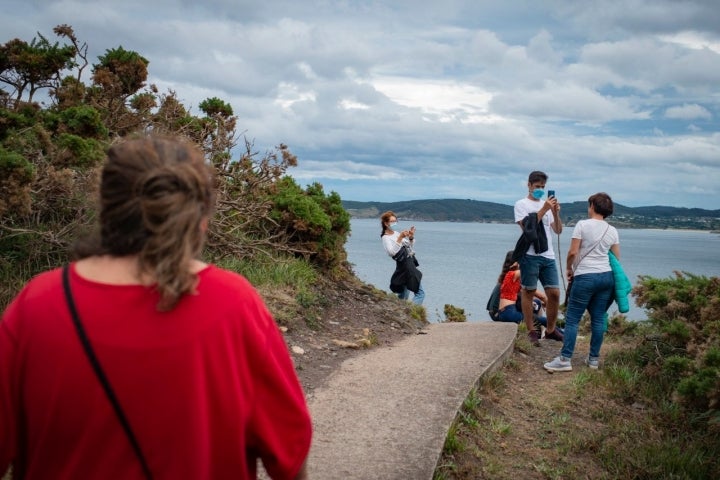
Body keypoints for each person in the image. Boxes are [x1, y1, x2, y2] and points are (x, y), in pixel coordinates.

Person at [0, 136, 312, 479]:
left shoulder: (37, 305)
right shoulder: (233, 304)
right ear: (201, 218)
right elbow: (289, 454)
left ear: (106, 208)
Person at [544, 192, 620, 373]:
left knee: (572, 319)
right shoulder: (612, 230)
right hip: (606, 277)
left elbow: (572, 252)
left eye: (589, 205)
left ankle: (565, 359)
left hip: (586, 276)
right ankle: (593, 360)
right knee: (598, 318)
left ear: (592, 206)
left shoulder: (582, 225)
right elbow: (616, 257)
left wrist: (569, 268)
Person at [513, 170, 564, 346]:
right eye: (537, 187)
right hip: (530, 255)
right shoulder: (521, 205)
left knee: (554, 293)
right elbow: (527, 228)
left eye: (542, 187)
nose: (540, 190)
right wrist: (544, 209)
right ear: (529, 185)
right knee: (528, 291)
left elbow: (558, 230)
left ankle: (550, 330)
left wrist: (556, 212)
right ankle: (531, 330)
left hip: (548, 255)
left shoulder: (547, 206)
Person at [380, 211, 425, 305]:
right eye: (392, 221)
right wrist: (400, 238)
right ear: (386, 223)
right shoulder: (386, 237)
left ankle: (397, 311)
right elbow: (392, 252)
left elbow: (409, 246)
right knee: (420, 293)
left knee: (404, 295)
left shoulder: (396, 233)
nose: (394, 223)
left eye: (395, 221)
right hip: (406, 266)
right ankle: (410, 313)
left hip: (408, 263)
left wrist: (411, 237)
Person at [495, 251, 548, 328]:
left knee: (536, 306)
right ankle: (562, 336)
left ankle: (535, 333)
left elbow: (535, 294)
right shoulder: (512, 274)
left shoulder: (511, 277)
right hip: (509, 312)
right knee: (544, 320)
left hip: (505, 312)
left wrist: (543, 300)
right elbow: (528, 270)